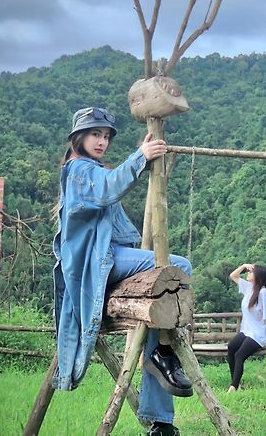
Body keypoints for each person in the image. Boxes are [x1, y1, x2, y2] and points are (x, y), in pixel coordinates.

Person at [52, 107, 192, 436]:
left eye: (106, 136)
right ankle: (162, 353)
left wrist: (141, 158)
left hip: (111, 256)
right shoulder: (78, 170)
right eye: (95, 134)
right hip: (97, 260)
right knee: (178, 267)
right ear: (78, 137)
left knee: (157, 307)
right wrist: (140, 157)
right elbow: (108, 187)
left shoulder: (92, 170)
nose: (102, 141)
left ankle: (162, 422)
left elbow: (112, 193)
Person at [227, 263, 266, 393]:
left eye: (252, 272)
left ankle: (233, 387)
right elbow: (233, 275)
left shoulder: (263, 293)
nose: (248, 273)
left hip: (258, 333)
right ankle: (236, 383)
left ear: (258, 276)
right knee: (231, 348)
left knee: (239, 355)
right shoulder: (249, 287)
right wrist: (243, 266)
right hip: (247, 330)